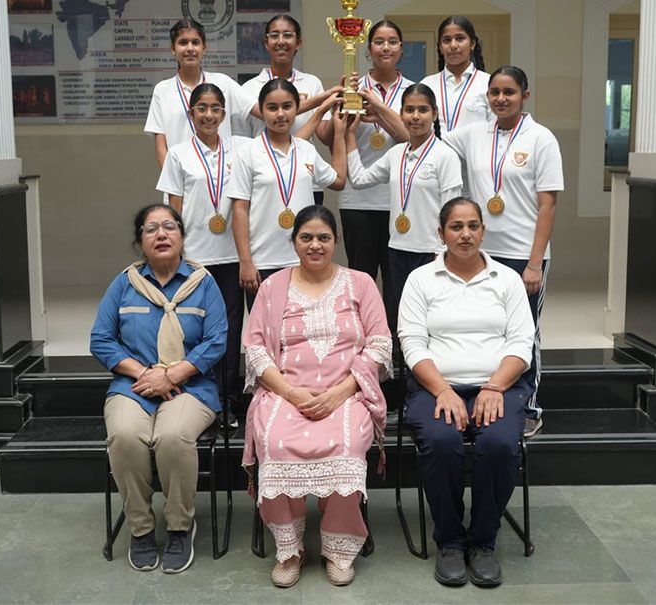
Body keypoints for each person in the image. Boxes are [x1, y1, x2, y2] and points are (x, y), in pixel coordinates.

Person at [241, 205, 390, 588]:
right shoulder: (273, 287)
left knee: (347, 444)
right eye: (306, 237)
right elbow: (255, 349)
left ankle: (339, 550)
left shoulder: (360, 283)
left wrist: (340, 392)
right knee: (274, 441)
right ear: (294, 242)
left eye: (324, 237)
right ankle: (289, 549)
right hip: (285, 392)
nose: (315, 245)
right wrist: (290, 392)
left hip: (347, 393)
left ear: (336, 241)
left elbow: (379, 343)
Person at [398, 197, 534, 588]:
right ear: (441, 233)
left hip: (500, 385)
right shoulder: (421, 280)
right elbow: (412, 343)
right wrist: (442, 390)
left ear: (483, 231)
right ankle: (451, 541)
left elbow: (522, 342)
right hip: (435, 387)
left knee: (499, 443)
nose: (465, 234)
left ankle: (483, 541)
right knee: (441, 441)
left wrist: (495, 385)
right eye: (456, 227)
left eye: (473, 226)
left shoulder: (506, 279)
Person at [90, 204, 228, 574]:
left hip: (191, 387)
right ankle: (141, 528)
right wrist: (146, 374)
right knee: (124, 434)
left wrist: (173, 375)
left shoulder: (204, 283)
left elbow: (217, 340)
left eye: (169, 226)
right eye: (151, 229)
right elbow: (101, 339)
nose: (161, 234)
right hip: (133, 384)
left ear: (182, 236)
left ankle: (180, 526)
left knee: (173, 436)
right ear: (140, 242)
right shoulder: (124, 284)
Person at [440, 66, 563, 437]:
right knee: (489, 329)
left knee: (525, 333)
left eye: (509, 92)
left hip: (524, 254)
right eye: (494, 92)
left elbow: (548, 205)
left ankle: (530, 407)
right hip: (481, 254)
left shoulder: (541, 138)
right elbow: (426, 134)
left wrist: (535, 263)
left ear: (525, 95)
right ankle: (492, 397)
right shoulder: (474, 134)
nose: (501, 98)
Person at [155, 84, 244, 427]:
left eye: (215, 108)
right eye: (202, 108)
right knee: (193, 330)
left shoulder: (241, 149)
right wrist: (175, 257)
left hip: (232, 256)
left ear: (224, 114)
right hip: (193, 258)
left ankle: (227, 399)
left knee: (230, 331)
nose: (209, 115)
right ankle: (195, 396)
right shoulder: (178, 154)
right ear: (191, 114)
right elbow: (173, 211)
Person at [345, 83, 463, 334]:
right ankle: (401, 361)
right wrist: (350, 136)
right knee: (402, 316)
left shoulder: (445, 156)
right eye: (409, 110)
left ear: (435, 113)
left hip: (430, 252)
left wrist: (443, 253)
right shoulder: (396, 154)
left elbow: (452, 212)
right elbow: (358, 179)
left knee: (431, 320)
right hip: (397, 249)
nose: (415, 116)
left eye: (423, 110)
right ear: (400, 114)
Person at [227, 79, 349, 310]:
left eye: (287, 106)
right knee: (267, 327)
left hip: (303, 259)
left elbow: (339, 181)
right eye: (272, 108)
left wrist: (339, 133)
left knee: (303, 327)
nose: (280, 114)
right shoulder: (248, 152)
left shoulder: (306, 150)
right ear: (262, 111)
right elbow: (239, 209)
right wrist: (246, 262)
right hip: (263, 261)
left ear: (297, 108)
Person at [317, 20, 411, 291]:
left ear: (401, 48)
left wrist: (379, 111)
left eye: (392, 42)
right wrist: (340, 111)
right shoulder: (352, 87)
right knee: (361, 279)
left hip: (398, 199)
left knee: (396, 282)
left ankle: (394, 322)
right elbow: (326, 137)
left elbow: (410, 138)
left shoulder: (411, 91)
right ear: (368, 49)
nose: (386, 47)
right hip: (356, 200)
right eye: (379, 42)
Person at [144, 19, 259, 168]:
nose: (190, 48)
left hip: (223, 176)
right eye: (183, 43)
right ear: (173, 49)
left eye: (195, 42)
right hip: (183, 176)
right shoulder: (162, 90)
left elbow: (262, 111)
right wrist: (172, 178)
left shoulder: (223, 83)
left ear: (204, 48)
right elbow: (161, 148)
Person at [234, 15, 335, 138]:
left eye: (287, 35)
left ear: (298, 43)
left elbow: (325, 136)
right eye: (274, 35)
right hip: (260, 151)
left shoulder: (312, 83)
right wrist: (317, 101)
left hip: (304, 151)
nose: (281, 41)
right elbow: (241, 139)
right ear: (266, 43)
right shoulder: (248, 89)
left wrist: (339, 111)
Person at [419, 16, 492, 135]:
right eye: (447, 40)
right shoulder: (427, 84)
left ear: (472, 43)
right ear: (440, 47)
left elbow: (496, 130)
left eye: (460, 38)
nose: (453, 45)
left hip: (476, 148)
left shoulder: (488, 83)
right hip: (435, 147)